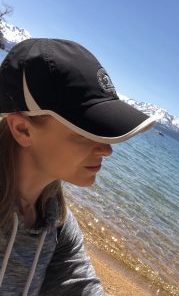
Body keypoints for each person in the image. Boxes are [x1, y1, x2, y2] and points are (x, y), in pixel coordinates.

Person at [0, 38, 156, 295]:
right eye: (84, 132)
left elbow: (80, 284)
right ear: (22, 129)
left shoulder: (55, 221)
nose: (106, 149)